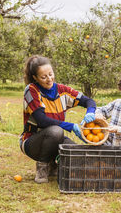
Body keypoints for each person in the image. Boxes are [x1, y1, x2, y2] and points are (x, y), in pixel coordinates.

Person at [20, 55, 96, 184]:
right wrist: (70, 126)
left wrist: (91, 112)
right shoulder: (32, 90)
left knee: (78, 153)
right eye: (44, 77)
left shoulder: (62, 90)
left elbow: (89, 101)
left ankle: (54, 164)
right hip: (33, 142)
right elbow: (42, 120)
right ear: (35, 78)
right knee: (56, 131)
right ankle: (42, 168)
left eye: (51, 74)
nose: (49, 79)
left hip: (55, 139)